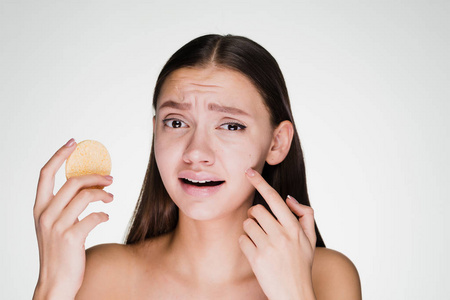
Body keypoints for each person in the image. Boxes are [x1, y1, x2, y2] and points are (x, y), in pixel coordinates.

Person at [33, 34, 362, 299]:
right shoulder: (103, 274)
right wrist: (51, 288)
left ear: (277, 142)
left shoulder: (326, 276)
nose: (196, 153)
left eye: (230, 126)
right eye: (176, 122)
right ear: (155, 131)